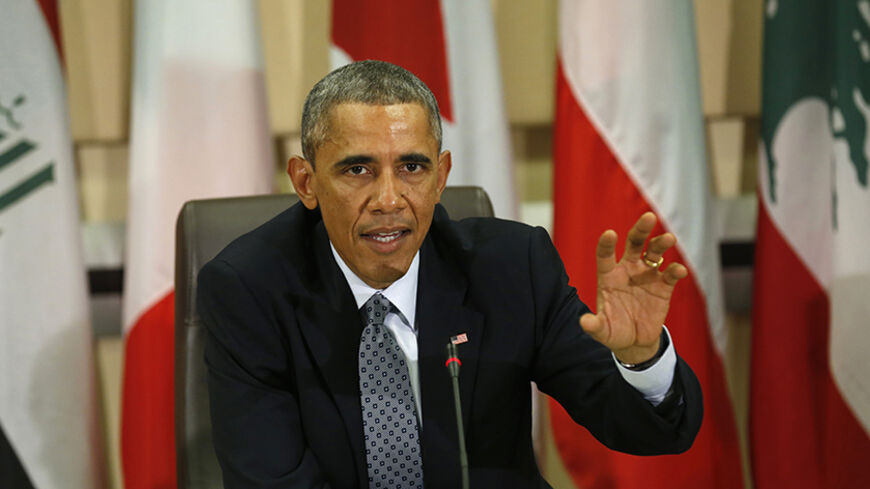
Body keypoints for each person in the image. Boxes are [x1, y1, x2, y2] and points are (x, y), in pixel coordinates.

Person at [198, 60, 702, 489]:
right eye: (358, 170)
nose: (390, 199)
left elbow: (652, 433)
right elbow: (271, 480)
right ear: (306, 182)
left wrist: (641, 360)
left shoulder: (511, 267)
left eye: (412, 168)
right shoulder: (249, 288)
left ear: (441, 177)